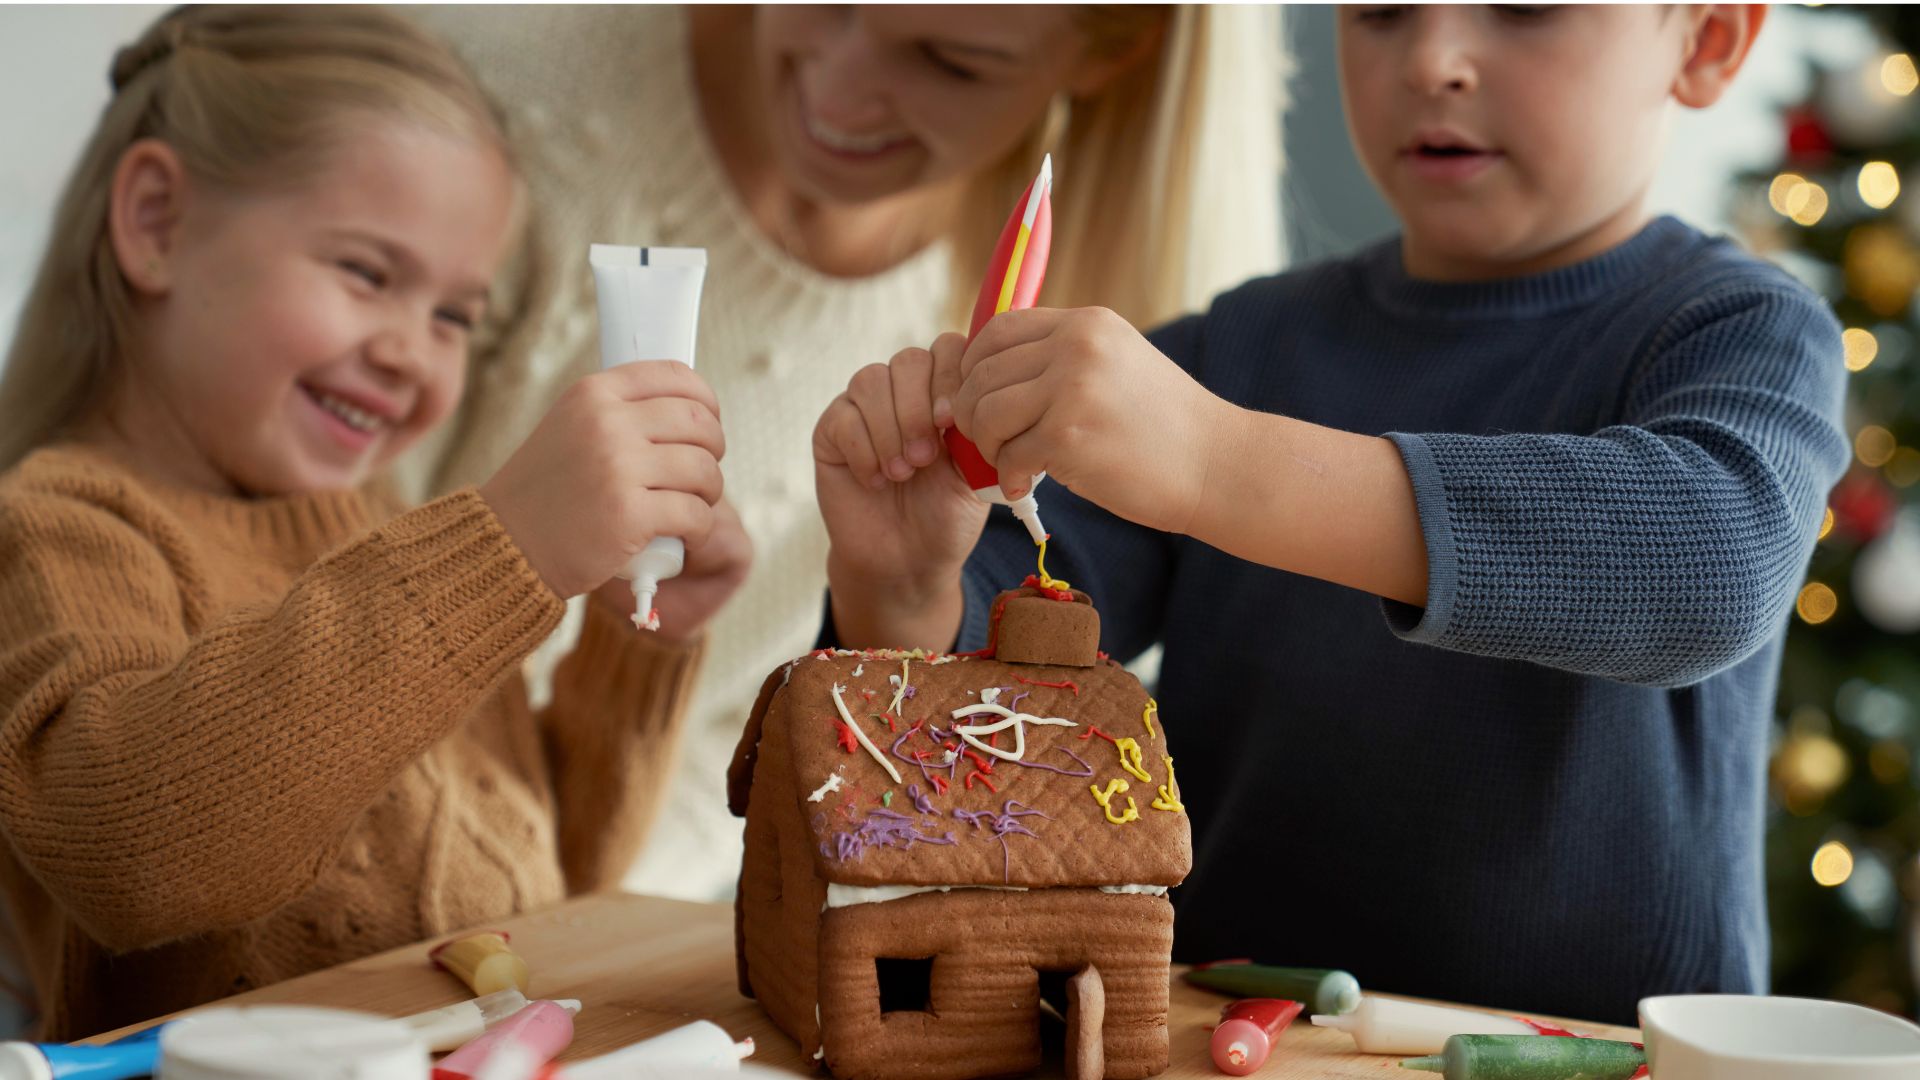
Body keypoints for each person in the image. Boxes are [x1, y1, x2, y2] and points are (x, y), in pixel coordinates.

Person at [813, 4, 1847, 1024]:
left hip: (1613, 1052)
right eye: (1381, 10)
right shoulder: (1238, 347)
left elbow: (1712, 560)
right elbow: (988, 701)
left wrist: (1218, 462)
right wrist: (900, 582)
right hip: (1229, 1036)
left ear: (1707, 42)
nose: (1434, 58)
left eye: (1526, 8)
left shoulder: (1741, 327)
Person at [403, 3, 1288, 900]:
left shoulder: (1135, 332)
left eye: (950, 60)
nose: (837, 86)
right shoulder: (478, 83)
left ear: (1114, 46)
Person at [0, 5, 747, 1039]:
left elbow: (537, 879)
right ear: (157, 222)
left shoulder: (387, 538)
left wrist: (636, 637)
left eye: (454, 317)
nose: (410, 351)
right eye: (365, 273)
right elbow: (138, 854)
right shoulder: (64, 528)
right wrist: (511, 545)